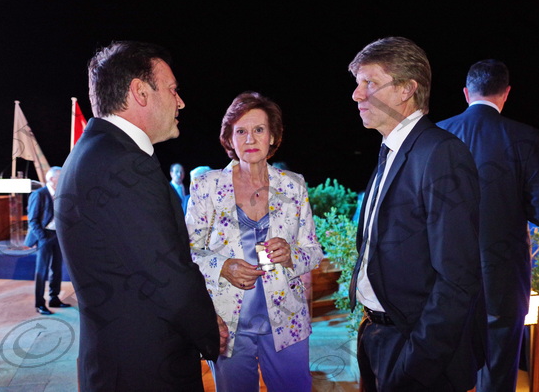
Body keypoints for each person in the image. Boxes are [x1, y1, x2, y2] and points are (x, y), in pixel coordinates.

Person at [55, 41, 226, 391]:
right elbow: (167, 274)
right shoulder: (123, 164)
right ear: (140, 92)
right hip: (146, 370)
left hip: (115, 363)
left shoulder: (90, 152)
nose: (181, 102)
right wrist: (209, 331)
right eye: (173, 89)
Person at [347, 37, 486, 391]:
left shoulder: (441, 153)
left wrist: (415, 364)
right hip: (378, 338)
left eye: (370, 83)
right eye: (358, 84)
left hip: (414, 353)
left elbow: (457, 277)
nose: (357, 95)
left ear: (407, 89)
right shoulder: (392, 151)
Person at [437, 59, 539, 392]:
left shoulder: (438, 135)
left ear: (466, 93)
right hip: (503, 279)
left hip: (445, 277)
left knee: (445, 365)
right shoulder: (526, 138)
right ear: (506, 93)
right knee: (498, 369)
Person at [186, 91, 323, 392]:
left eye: (259, 129)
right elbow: (188, 252)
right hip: (227, 325)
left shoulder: (293, 185)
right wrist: (223, 266)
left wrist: (291, 255)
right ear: (229, 139)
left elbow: (313, 251)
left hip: (287, 323)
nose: (250, 139)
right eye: (241, 131)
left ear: (272, 137)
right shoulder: (207, 186)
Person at [25, 166, 71, 315]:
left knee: (56, 269)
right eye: (60, 176)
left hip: (57, 236)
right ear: (51, 179)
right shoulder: (39, 194)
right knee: (42, 271)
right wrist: (42, 237)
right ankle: (40, 304)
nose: (63, 178)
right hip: (44, 236)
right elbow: (32, 220)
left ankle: (54, 298)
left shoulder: (61, 194)